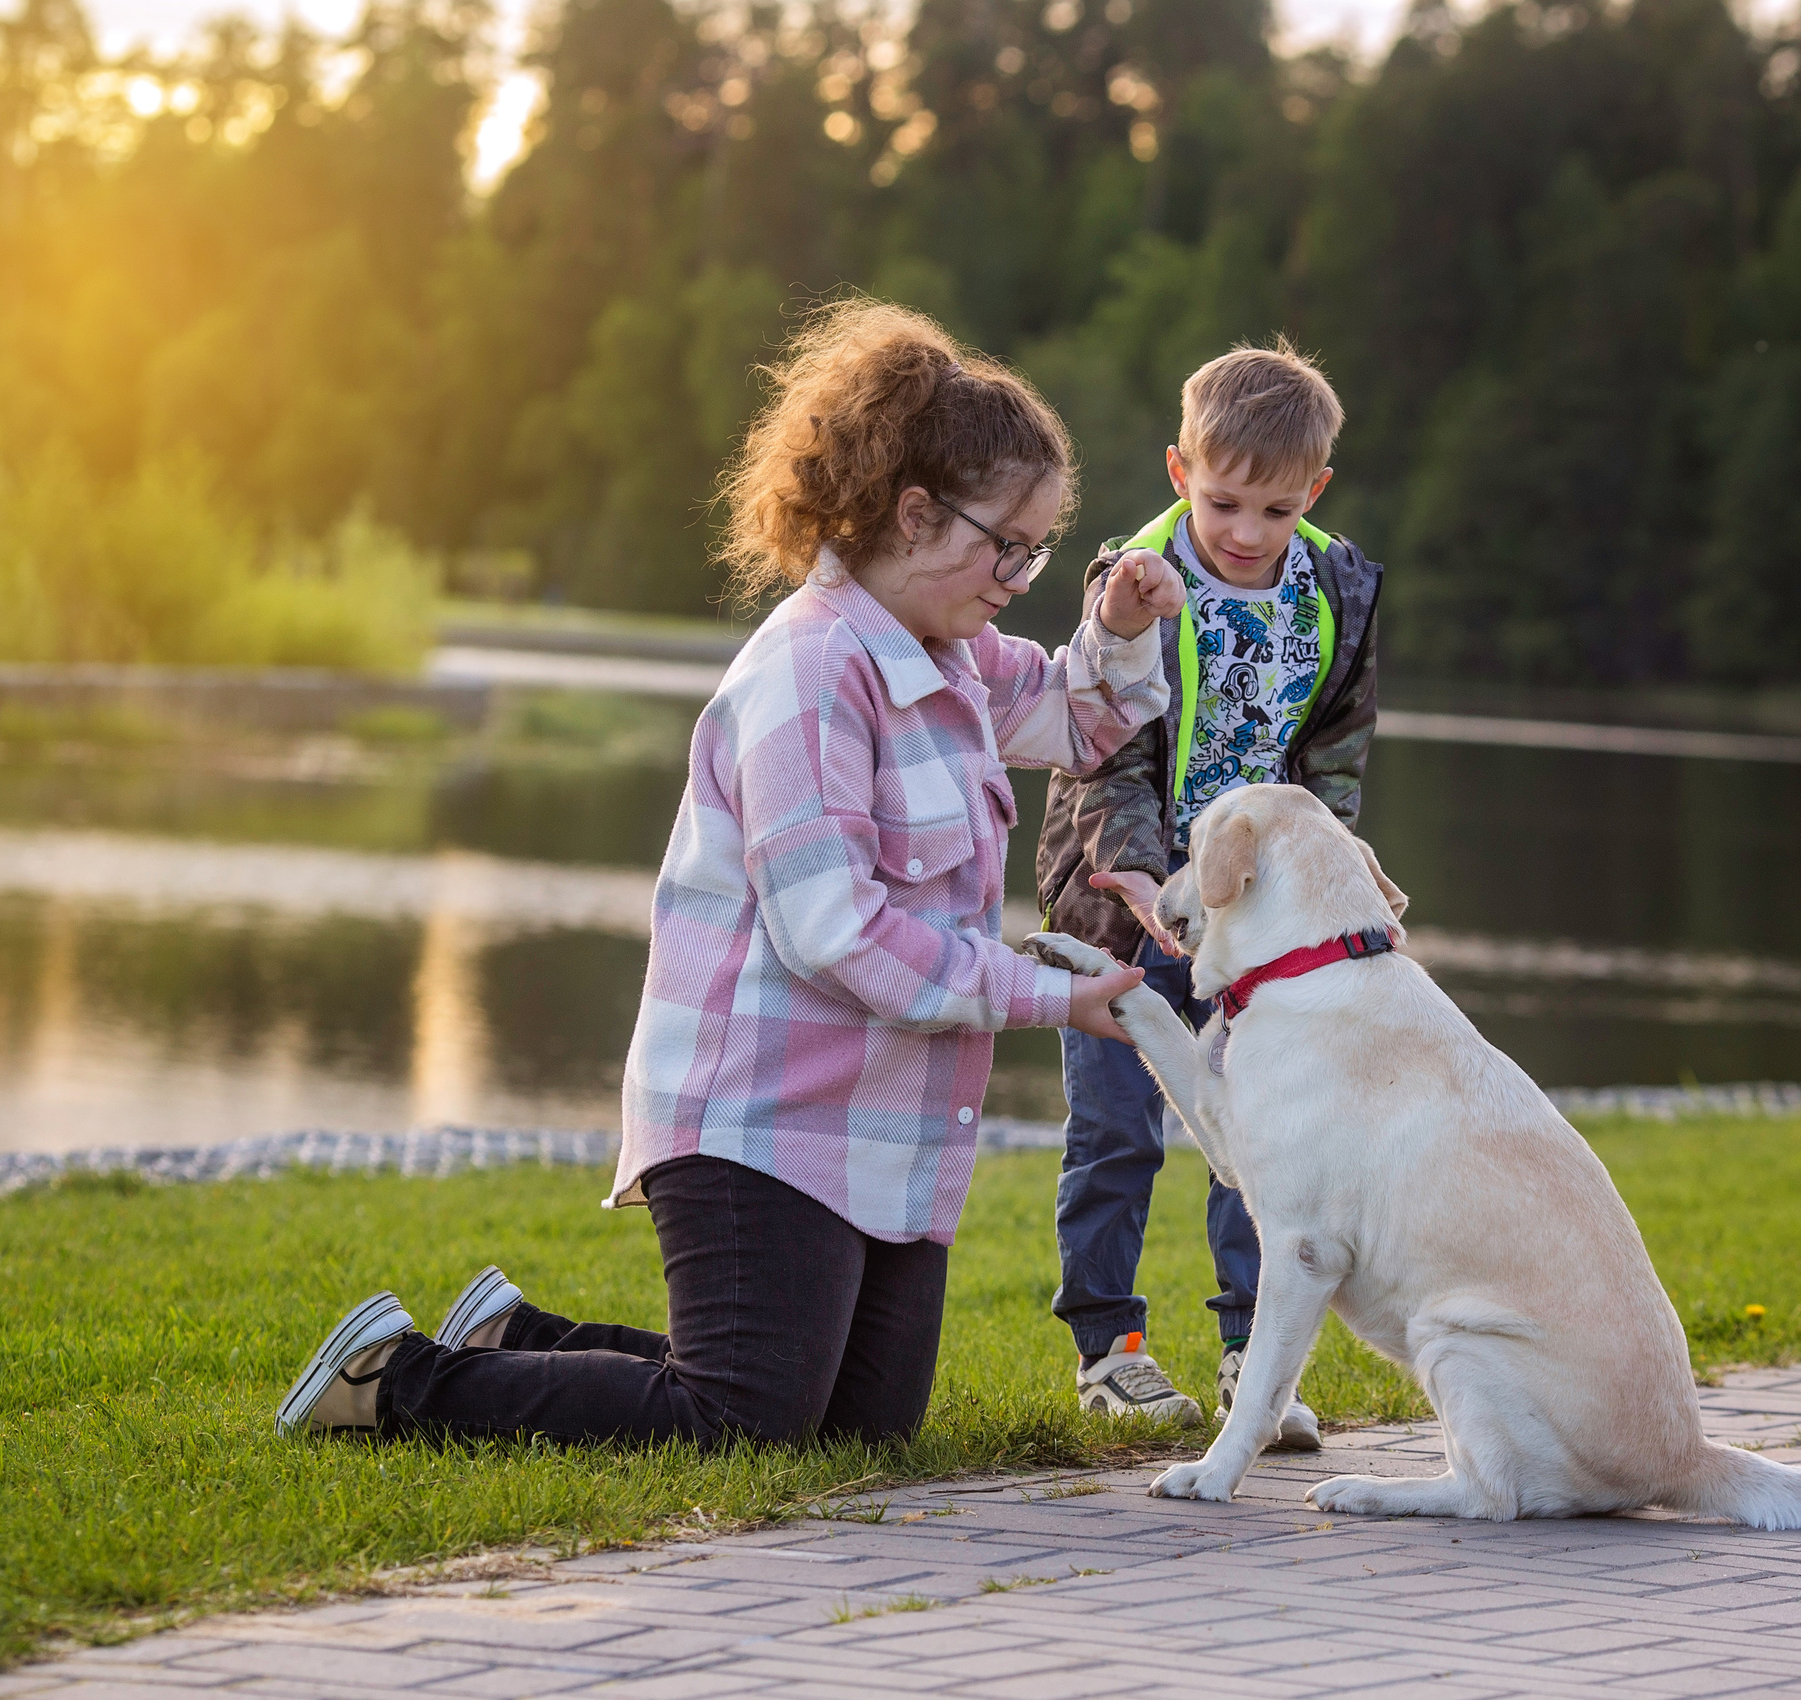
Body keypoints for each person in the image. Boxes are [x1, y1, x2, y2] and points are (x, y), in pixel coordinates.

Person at [277, 299, 1184, 1447]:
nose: (1020, 574)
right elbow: (836, 934)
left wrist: (1118, 622)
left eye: (1039, 549)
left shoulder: (953, 657)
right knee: (744, 1419)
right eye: (1007, 544)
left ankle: (516, 1341)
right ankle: (393, 1382)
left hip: (869, 1121)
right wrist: (1050, 995)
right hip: (754, 1114)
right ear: (915, 516)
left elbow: (1087, 721)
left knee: (861, 1433)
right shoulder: (809, 674)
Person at [1031, 339, 1383, 1439]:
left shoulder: (1340, 588)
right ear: (1180, 471)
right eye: (1224, 502)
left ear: (1312, 493)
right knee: (1117, 1126)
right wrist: (1133, 868)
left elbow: (1334, 749)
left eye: (1275, 510)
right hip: (1115, 888)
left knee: (1264, 1137)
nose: (1245, 533)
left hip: (1256, 916)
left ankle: (1250, 1354)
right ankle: (1110, 1348)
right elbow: (1105, 743)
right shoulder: (1132, 580)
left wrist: (1329, 879)